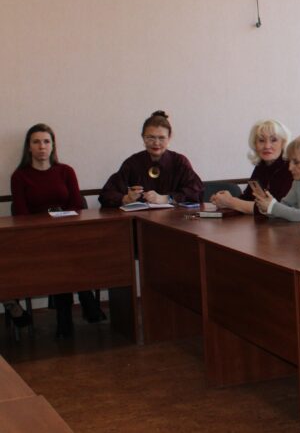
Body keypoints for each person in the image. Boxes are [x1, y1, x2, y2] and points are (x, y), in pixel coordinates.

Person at [10, 124, 105, 336]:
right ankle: (85, 300)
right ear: (29, 147)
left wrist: (62, 225)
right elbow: (22, 215)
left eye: (46, 141)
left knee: (66, 252)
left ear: (53, 146)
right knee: (62, 256)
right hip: (37, 238)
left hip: (67, 233)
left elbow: (77, 206)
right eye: (36, 142)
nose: (42, 146)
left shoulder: (65, 171)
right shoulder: (20, 176)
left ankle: (65, 318)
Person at [98, 111, 203, 207]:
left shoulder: (179, 162)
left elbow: (196, 193)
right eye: (150, 137)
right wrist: (126, 199)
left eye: (161, 138)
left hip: (173, 218)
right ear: (143, 137)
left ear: (169, 138)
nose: (156, 143)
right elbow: (106, 194)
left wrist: (167, 198)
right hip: (140, 219)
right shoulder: (132, 163)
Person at [211, 119, 293, 214]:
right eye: (261, 140)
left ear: (283, 143)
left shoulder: (291, 168)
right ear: (255, 144)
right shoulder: (261, 166)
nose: (267, 146)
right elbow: (248, 198)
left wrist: (230, 202)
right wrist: (224, 200)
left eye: (273, 140)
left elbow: (274, 208)